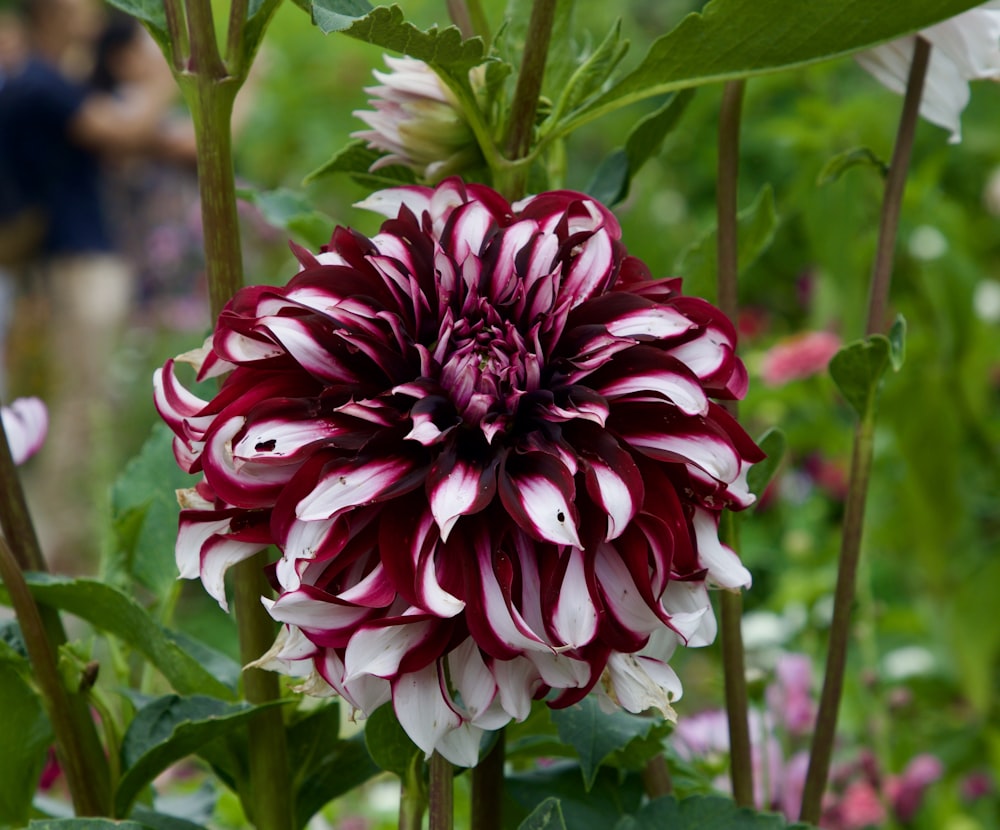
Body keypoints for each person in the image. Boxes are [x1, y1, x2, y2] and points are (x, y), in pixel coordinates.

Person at [0, 0, 188, 566]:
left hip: (64, 269)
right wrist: (171, 77)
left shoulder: (47, 83)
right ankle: (52, 556)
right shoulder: (40, 83)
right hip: (81, 268)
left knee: (75, 413)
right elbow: (129, 131)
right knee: (79, 420)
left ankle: (55, 545)